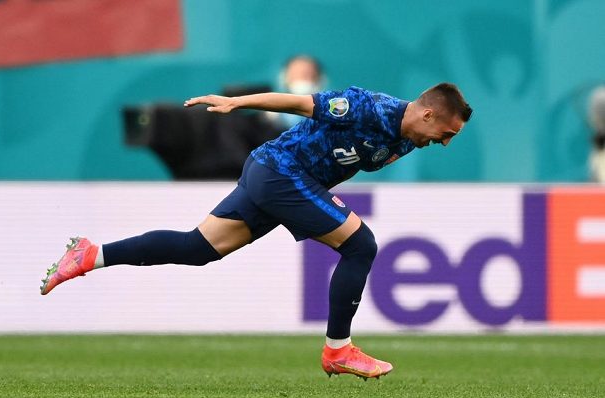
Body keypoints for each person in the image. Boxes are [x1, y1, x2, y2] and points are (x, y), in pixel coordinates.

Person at [40, 82, 472, 380]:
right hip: (280, 172)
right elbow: (302, 104)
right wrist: (237, 104)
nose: (446, 142)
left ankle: (90, 254)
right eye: (446, 133)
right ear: (429, 112)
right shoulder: (367, 107)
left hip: (278, 178)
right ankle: (338, 350)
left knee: (198, 248)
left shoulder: (406, 139)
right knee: (361, 245)